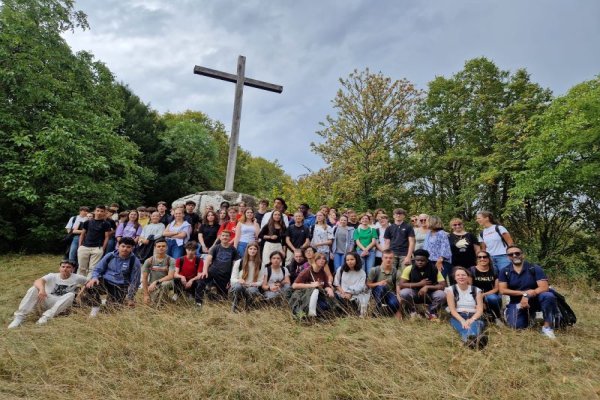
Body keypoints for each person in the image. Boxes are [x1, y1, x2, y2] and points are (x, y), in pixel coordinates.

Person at [499, 245, 558, 339]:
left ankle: (547, 327)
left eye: (517, 253)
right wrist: (524, 293)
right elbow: (502, 290)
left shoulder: (534, 268)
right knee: (517, 326)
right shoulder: (504, 271)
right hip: (517, 302)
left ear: (523, 255)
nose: (514, 255)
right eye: (511, 254)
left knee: (548, 295)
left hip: (537, 299)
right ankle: (522, 314)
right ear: (508, 257)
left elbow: (544, 287)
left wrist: (527, 295)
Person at [8, 260, 87, 328]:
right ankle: (19, 317)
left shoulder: (77, 277)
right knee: (33, 289)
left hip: (60, 303)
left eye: (68, 267)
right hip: (45, 299)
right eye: (63, 267)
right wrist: (42, 289)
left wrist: (80, 293)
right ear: (59, 268)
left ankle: (45, 317)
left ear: (73, 269)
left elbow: (89, 283)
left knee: (71, 295)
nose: (65, 269)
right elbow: (38, 281)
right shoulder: (52, 276)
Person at [79, 237, 142, 317]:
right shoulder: (110, 256)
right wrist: (94, 277)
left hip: (120, 286)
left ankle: (106, 302)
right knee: (91, 285)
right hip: (106, 282)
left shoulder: (135, 262)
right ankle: (95, 308)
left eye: (128, 247)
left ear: (132, 248)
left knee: (112, 311)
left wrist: (130, 297)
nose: (125, 249)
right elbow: (98, 269)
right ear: (118, 246)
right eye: (123, 246)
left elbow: (135, 281)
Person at [398, 249, 447, 320]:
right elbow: (401, 284)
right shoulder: (409, 268)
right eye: (417, 260)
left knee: (441, 294)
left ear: (427, 260)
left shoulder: (434, 269)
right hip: (414, 293)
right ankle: (413, 311)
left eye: (422, 260)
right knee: (404, 293)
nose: (419, 262)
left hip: (430, 294)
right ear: (414, 260)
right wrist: (419, 284)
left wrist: (427, 286)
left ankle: (431, 312)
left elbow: (443, 285)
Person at [446, 267, 488, 349]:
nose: (461, 277)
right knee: (462, 327)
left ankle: (469, 341)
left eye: (463, 275)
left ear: (468, 277)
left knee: (475, 325)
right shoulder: (450, 290)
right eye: (458, 275)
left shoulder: (476, 290)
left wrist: (471, 319)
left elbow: (480, 310)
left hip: (474, 315)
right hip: (458, 316)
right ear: (455, 278)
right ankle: (475, 340)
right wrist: (462, 320)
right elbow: (452, 310)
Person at [197, 230, 241, 300]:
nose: (225, 237)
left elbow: (236, 263)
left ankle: (211, 295)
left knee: (223, 297)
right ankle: (198, 302)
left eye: (227, 236)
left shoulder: (233, 249)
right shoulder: (216, 247)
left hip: (225, 275)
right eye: (223, 235)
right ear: (220, 237)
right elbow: (208, 258)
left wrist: (232, 277)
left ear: (230, 237)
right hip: (213, 272)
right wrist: (205, 271)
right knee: (201, 280)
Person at [289, 253, 336, 318]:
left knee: (329, 305)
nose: (322, 260)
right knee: (322, 307)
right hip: (305, 296)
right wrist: (311, 285)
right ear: (314, 260)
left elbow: (326, 285)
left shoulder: (322, 272)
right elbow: (294, 285)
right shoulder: (307, 271)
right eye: (319, 258)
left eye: (324, 259)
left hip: (319, 295)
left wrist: (329, 289)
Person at [77, 205, 112, 277]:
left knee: (92, 269)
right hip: (85, 247)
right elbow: (82, 234)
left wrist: (103, 248)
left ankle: (88, 286)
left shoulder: (106, 224)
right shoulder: (87, 222)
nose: (99, 213)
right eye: (98, 211)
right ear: (94, 211)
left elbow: (107, 237)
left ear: (105, 213)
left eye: (102, 211)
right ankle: (79, 285)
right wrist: (80, 246)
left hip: (97, 248)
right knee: (81, 268)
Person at [470, 251, 502, 325]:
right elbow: (470, 287)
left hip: (490, 294)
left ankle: (497, 317)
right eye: (479, 257)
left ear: (489, 259)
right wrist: (479, 298)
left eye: (485, 257)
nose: (482, 259)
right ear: (476, 259)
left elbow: (496, 288)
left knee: (493, 298)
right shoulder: (472, 270)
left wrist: (483, 295)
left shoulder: (494, 270)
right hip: (475, 295)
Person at [141, 238, 175, 306]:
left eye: (163, 246)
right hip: (152, 286)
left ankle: (158, 307)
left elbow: (170, 276)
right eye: (159, 246)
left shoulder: (171, 260)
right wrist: (146, 294)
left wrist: (156, 282)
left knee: (164, 285)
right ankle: (163, 303)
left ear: (167, 247)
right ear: (155, 248)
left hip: (168, 285)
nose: (161, 248)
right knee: (152, 300)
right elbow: (144, 278)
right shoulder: (149, 261)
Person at [230, 242, 263, 312]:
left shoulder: (260, 264)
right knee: (237, 287)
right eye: (250, 249)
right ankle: (235, 307)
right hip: (241, 286)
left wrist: (254, 284)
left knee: (253, 290)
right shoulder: (239, 262)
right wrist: (239, 280)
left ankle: (248, 308)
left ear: (257, 251)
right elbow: (232, 278)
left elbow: (261, 281)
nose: (252, 251)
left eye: (255, 249)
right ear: (247, 250)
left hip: (251, 287)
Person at [367, 250, 400, 318]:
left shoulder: (396, 272)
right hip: (376, 292)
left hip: (389, 293)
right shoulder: (375, 270)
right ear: (382, 258)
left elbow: (398, 290)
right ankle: (376, 313)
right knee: (381, 287)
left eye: (390, 258)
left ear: (393, 259)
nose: (388, 260)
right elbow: (368, 284)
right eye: (386, 257)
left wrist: (399, 310)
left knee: (394, 304)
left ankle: (385, 314)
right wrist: (378, 283)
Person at [334, 252, 369, 317]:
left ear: (357, 260)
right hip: (342, 294)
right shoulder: (341, 269)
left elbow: (360, 287)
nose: (350, 262)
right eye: (347, 260)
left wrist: (350, 293)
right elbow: (336, 283)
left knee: (355, 309)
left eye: (352, 259)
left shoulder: (362, 273)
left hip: (355, 295)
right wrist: (343, 292)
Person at [423, 215, 452, 280]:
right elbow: (425, 247)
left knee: (439, 280)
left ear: (432, 222)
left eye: (426, 221)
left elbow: (445, 247)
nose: (425, 223)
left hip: (441, 262)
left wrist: (440, 260)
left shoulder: (442, 233)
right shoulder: (429, 234)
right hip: (430, 261)